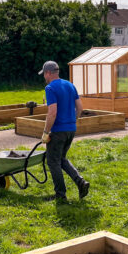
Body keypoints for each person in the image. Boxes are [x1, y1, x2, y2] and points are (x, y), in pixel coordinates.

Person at [39, 61, 90, 202]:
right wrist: (73, 121)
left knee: (53, 161)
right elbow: (79, 107)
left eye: (44, 74)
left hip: (58, 131)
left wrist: (45, 132)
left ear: (48, 73)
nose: (44, 76)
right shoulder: (69, 85)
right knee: (61, 159)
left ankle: (60, 195)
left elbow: (52, 113)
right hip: (71, 129)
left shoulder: (50, 88)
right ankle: (81, 182)